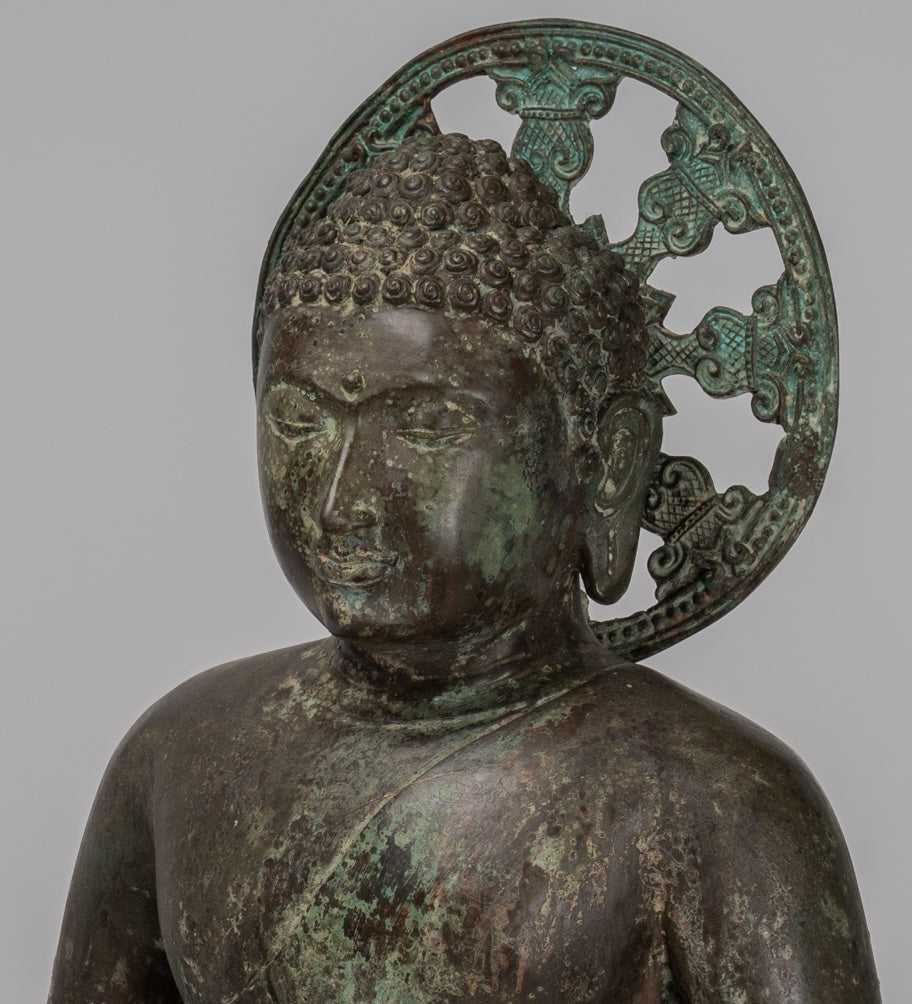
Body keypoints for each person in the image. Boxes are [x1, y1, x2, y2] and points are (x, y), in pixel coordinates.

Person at [48, 134, 880, 1003]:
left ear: (607, 464)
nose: (341, 500)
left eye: (427, 427)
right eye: (300, 419)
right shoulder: (183, 754)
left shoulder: (712, 806)